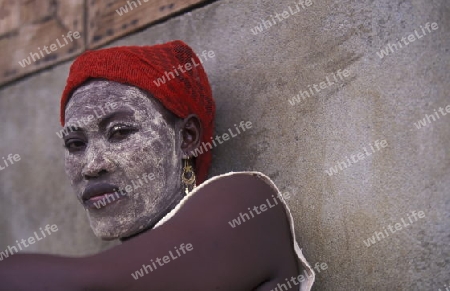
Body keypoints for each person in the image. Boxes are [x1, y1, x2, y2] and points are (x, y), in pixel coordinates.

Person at [0, 40, 315, 290]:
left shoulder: (244, 205)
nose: (91, 166)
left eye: (120, 132)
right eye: (75, 144)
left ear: (187, 138)